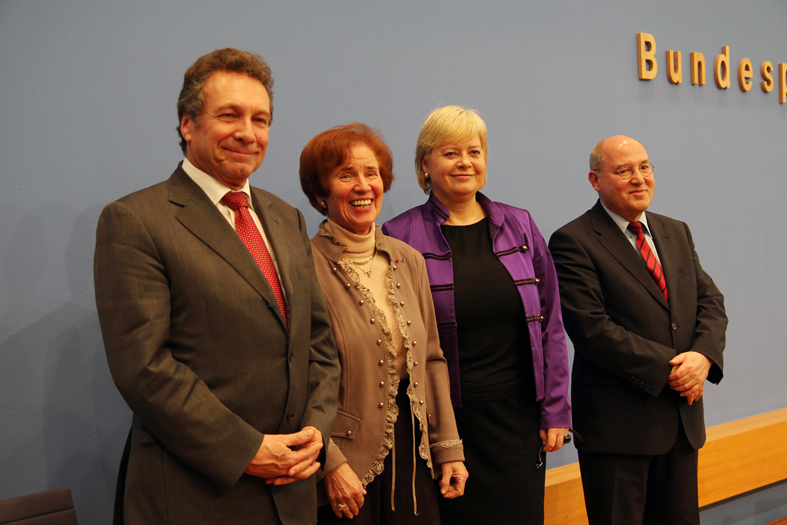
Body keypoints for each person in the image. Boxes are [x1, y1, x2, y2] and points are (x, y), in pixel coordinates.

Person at [93, 48, 340, 525]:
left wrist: (317, 430)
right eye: (229, 115)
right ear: (187, 124)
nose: (248, 133)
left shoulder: (286, 218)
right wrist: (247, 450)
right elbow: (143, 368)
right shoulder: (135, 221)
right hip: (195, 495)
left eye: (260, 119)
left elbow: (319, 344)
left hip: (293, 491)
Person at [383, 106, 571, 525]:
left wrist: (556, 409)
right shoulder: (399, 235)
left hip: (518, 422)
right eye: (450, 153)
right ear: (425, 165)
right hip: (446, 426)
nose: (465, 162)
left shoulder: (520, 225)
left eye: (475, 151)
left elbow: (551, 323)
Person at [548, 135, 727, 525]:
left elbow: (710, 302)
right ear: (595, 180)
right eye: (624, 170)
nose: (639, 178)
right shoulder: (572, 241)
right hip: (618, 432)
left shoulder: (675, 231)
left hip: (680, 424)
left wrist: (703, 357)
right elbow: (592, 329)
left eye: (644, 167)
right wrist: (677, 369)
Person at [300, 123, 468, 524]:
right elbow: (296, 380)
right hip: (342, 467)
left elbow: (431, 360)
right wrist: (330, 463)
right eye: (346, 175)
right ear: (321, 193)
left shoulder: (407, 258)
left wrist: (449, 448)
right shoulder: (301, 266)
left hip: (414, 460)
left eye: (370, 173)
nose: (362, 186)